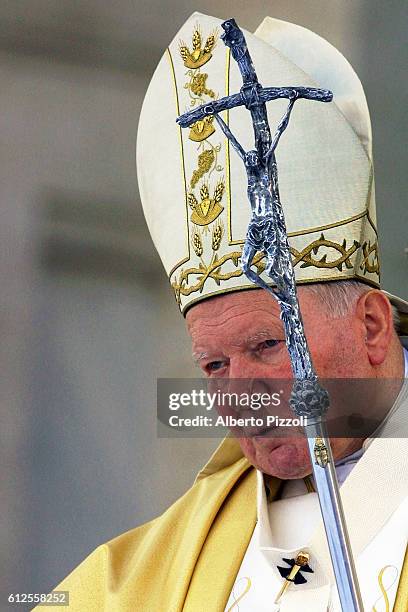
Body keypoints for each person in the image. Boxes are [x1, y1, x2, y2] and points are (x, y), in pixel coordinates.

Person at [33, 12, 408, 611]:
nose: (243, 394)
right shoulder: (135, 586)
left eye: (267, 345)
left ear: (370, 326)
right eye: (213, 366)